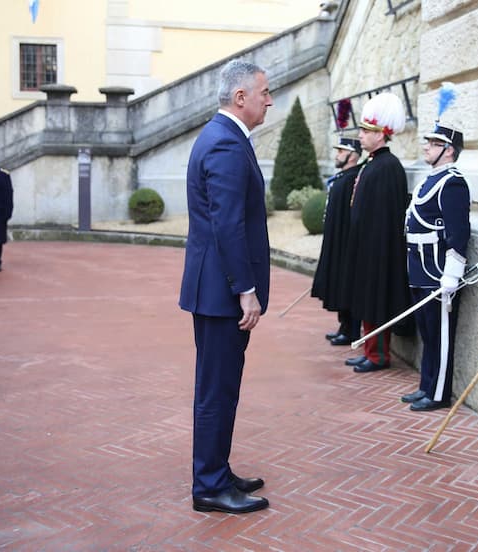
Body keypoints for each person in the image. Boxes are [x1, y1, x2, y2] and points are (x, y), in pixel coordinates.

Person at [178, 59, 273, 515]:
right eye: (264, 93)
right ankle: (210, 485)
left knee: (221, 387)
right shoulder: (225, 144)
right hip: (222, 294)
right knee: (217, 391)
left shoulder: (224, 137)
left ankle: (217, 469)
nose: (269, 101)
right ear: (241, 97)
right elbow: (228, 225)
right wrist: (246, 290)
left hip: (217, 289)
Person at [401, 122, 471, 411]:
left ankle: (439, 393)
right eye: (428, 142)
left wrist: (452, 274)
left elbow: (458, 232)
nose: (427, 147)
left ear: (449, 150)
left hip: (437, 272)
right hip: (420, 268)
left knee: (440, 335)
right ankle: (426, 385)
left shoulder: (453, 183)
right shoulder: (429, 179)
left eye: (434, 143)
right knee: (428, 334)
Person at [341, 92, 412, 373]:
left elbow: (385, 216)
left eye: (366, 131)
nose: (360, 135)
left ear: (380, 135)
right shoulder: (374, 163)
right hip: (365, 247)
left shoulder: (388, 167)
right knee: (365, 301)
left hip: (378, 249)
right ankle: (369, 348)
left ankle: (378, 354)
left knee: (376, 302)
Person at [311, 137, 363, 347]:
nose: (337, 155)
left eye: (342, 151)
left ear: (353, 155)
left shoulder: (353, 179)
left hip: (346, 240)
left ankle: (351, 329)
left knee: (347, 286)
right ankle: (344, 325)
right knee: (339, 283)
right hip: (336, 238)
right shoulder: (342, 177)